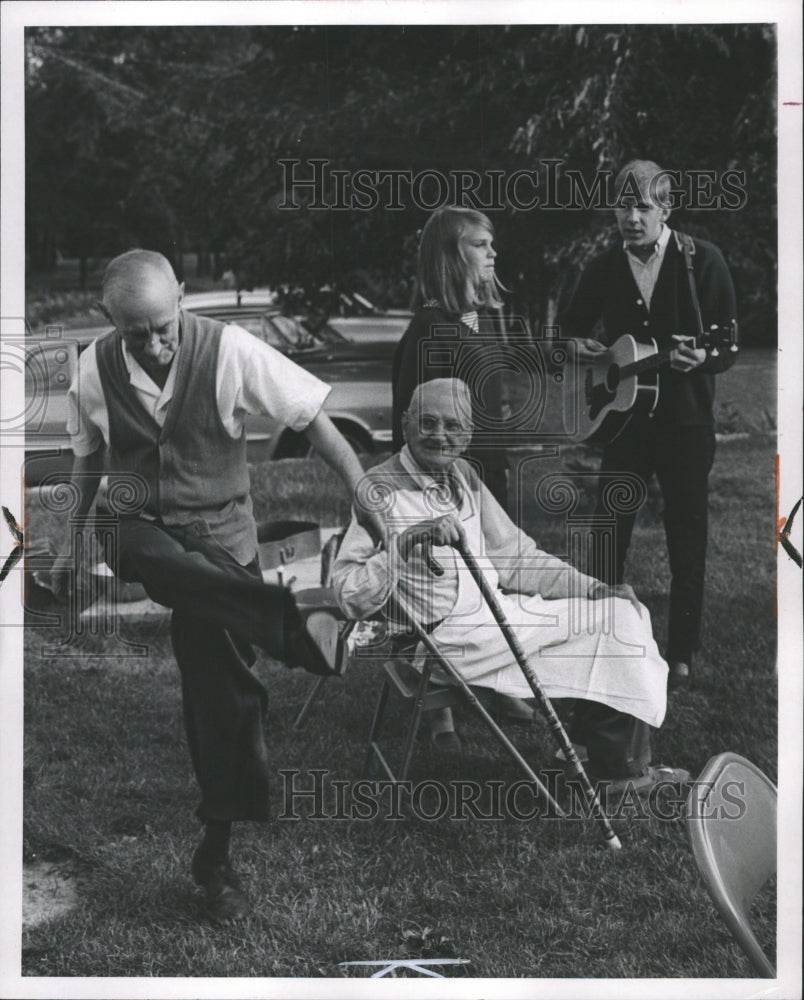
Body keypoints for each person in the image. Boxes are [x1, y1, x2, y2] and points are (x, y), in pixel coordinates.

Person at [52, 249, 372, 922]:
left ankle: (217, 859)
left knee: (219, 691)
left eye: (163, 325)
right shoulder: (92, 368)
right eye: (135, 332)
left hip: (222, 546)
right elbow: (87, 461)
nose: (155, 342)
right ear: (111, 321)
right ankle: (285, 624)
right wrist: (70, 541)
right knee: (135, 534)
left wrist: (361, 487)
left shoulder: (230, 351)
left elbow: (311, 413)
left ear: (184, 299)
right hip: (136, 529)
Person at [333, 378, 689, 793]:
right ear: (406, 423)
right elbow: (346, 592)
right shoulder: (379, 489)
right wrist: (400, 546)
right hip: (447, 643)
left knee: (619, 612)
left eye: (452, 426)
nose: (439, 435)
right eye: (427, 423)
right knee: (614, 632)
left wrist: (592, 589)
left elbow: (516, 557)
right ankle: (618, 773)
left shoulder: (462, 474)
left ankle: (584, 754)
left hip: (495, 616)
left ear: (468, 435)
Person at [560, 160, 738, 689]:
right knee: (609, 532)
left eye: (642, 207)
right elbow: (567, 332)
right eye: (623, 205)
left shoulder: (701, 260)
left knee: (687, 536)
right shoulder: (602, 267)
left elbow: (727, 345)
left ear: (666, 209)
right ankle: (601, 639)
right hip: (624, 426)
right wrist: (575, 346)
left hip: (685, 424)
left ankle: (681, 652)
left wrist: (701, 360)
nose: (631, 218)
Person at [392, 205, 509, 509]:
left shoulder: (483, 319)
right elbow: (411, 426)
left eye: (491, 244)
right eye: (480, 245)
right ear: (451, 256)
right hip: (449, 486)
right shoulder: (428, 326)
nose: (492, 253)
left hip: (490, 476)